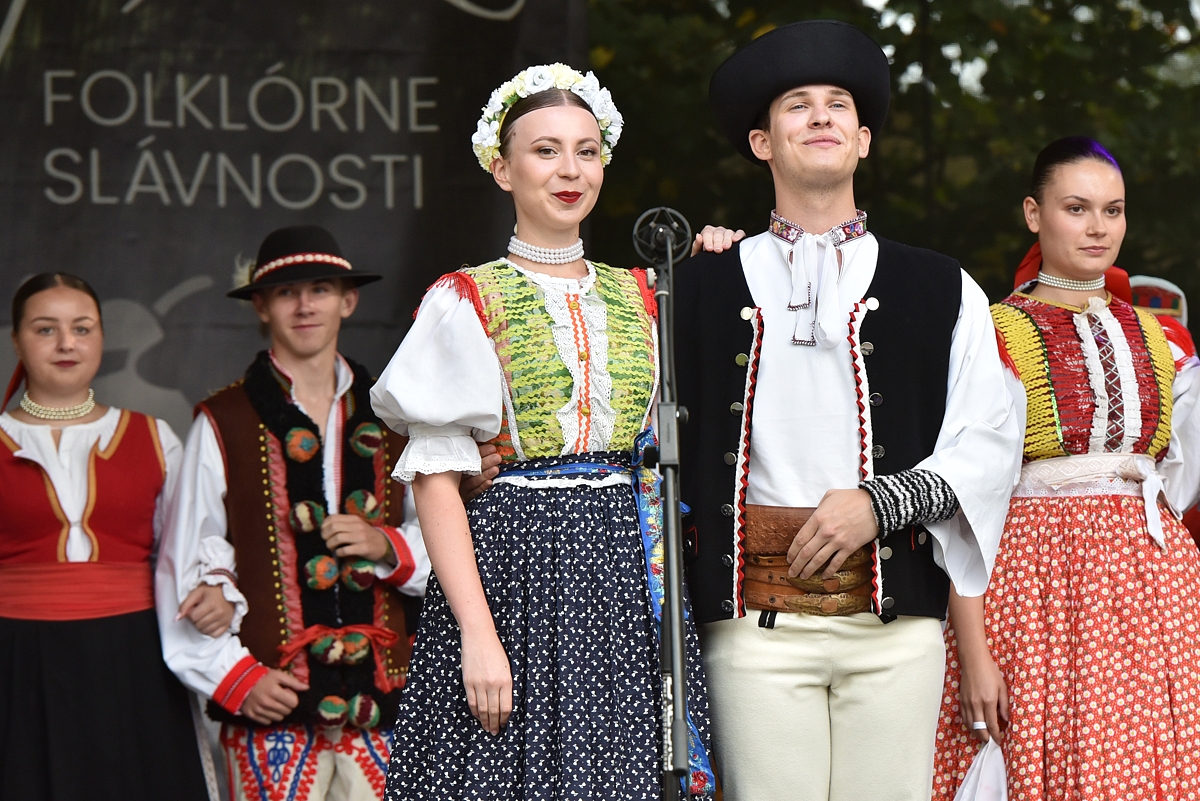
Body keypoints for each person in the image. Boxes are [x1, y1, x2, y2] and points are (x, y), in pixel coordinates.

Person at [674, 20, 1023, 800]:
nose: (821, 116)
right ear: (762, 143)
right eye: (797, 105)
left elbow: (992, 439)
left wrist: (880, 503)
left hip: (895, 629)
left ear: (863, 141)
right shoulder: (697, 286)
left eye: (838, 104)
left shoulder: (943, 286)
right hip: (751, 627)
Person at [370, 63, 715, 799]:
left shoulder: (643, 293)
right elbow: (435, 477)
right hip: (513, 572)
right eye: (545, 150)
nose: (570, 170)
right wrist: (476, 633)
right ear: (503, 169)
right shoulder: (468, 297)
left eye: (586, 151)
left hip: (627, 573)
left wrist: (720, 250)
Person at [932, 137, 1200, 800]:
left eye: (1113, 210)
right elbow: (964, 502)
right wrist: (973, 653)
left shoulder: (1162, 338)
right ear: (1034, 213)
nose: (1098, 226)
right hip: (1035, 591)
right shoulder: (991, 332)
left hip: (1153, 589)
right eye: (1076, 208)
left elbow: (1178, 480)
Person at [156, 225, 429, 801]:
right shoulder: (223, 420)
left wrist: (386, 546)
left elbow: (447, 549)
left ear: (347, 301)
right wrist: (234, 677)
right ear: (261, 306)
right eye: (286, 292)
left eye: (321, 289)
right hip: (269, 703)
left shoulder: (395, 418)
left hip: (385, 706)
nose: (305, 306)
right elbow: (184, 568)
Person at [0, 273, 209, 801]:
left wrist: (213, 587)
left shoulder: (154, 438)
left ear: (101, 337)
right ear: (17, 341)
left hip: (131, 656)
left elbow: (190, 552)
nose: (66, 343)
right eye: (45, 329)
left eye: (82, 328)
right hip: (15, 658)